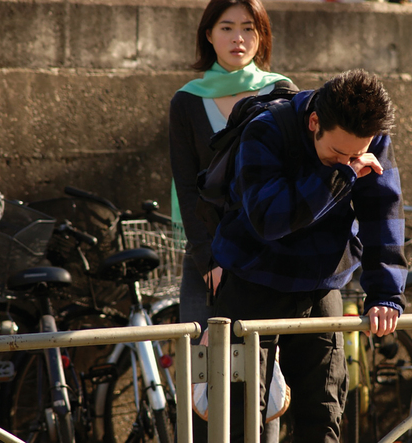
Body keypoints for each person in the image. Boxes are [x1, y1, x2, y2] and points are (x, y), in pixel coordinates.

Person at [212, 69, 408, 443]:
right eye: (337, 153)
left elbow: (383, 212)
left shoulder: (370, 135)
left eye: (357, 154)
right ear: (314, 122)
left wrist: (386, 294)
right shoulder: (266, 129)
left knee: (324, 414)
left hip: (321, 283)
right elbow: (269, 219)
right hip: (253, 279)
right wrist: (343, 177)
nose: (348, 160)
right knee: (240, 417)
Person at [168, 0, 295, 441]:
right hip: (207, 262)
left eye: (248, 27)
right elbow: (186, 187)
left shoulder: (283, 94)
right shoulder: (186, 100)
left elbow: (292, 182)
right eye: (226, 27)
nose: (238, 38)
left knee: (265, 382)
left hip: (267, 260)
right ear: (209, 34)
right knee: (203, 384)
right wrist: (209, 260)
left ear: (262, 35)